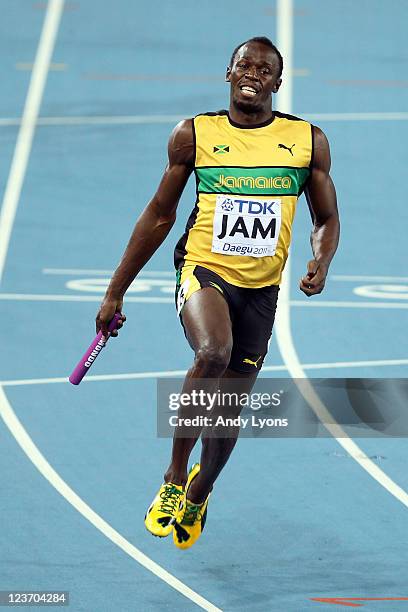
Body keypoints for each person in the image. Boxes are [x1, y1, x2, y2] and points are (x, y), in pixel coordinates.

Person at [96, 36, 340, 550]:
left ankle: (201, 491)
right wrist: (115, 290)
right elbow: (159, 216)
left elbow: (326, 217)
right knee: (213, 352)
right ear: (227, 74)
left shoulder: (306, 140)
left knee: (228, 406)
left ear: (278, 81)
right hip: (204, 269)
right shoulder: (194, 134)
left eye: (264, 68)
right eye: (243, 65)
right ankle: (173, 477)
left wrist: (322, 258)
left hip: (262, 288)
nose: (252, 73)